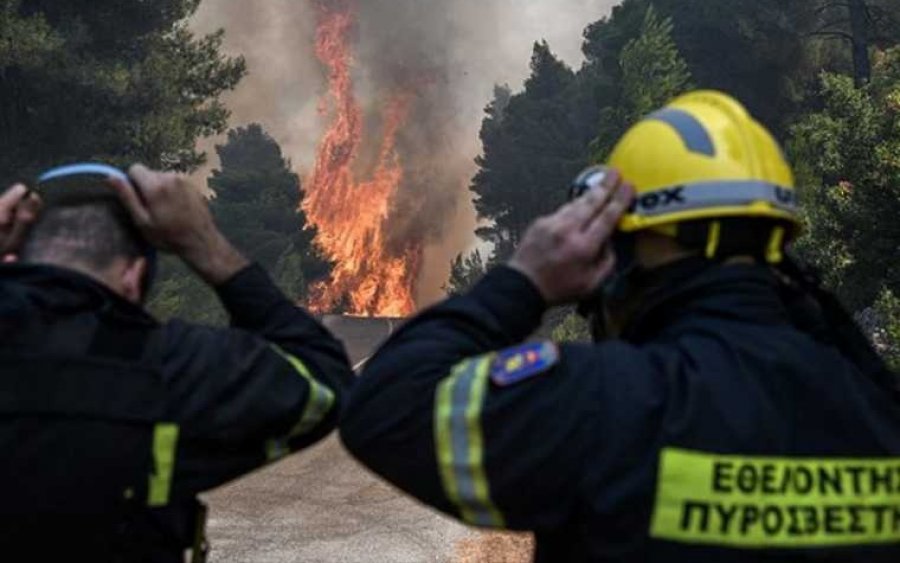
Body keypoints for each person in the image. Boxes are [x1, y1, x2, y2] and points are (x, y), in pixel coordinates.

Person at [341, 91, 900, 562]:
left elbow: (386, 408)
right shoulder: (872, 412)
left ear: (624, 251)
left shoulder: (608, 404)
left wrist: (525, 281)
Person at [0, 164, 354, 562]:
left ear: (13, 260)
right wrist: (204, 243)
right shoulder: (170, 365)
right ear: (134, 277)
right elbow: (323, 384)